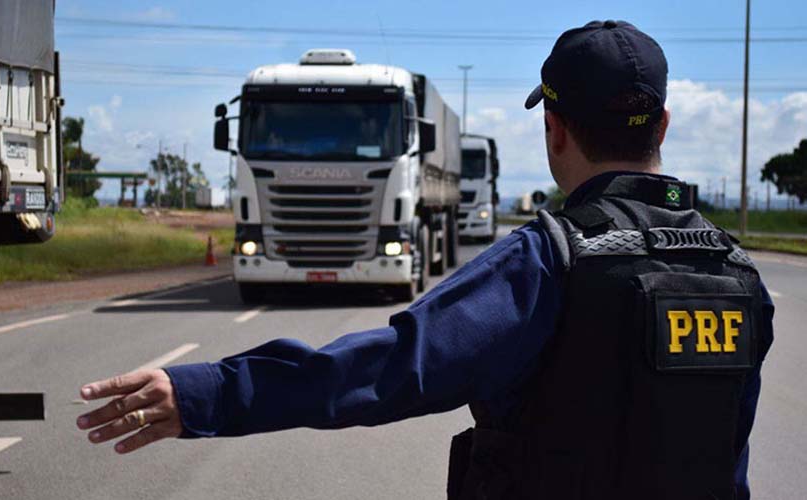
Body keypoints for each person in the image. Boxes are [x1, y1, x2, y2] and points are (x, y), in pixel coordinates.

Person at [77, 20, 774, 499]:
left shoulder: (549, 260)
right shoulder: (735, 272)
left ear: (553, 129)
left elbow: (391, 367)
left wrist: (207, 393)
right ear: (663, 126)